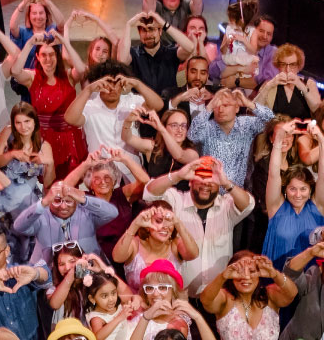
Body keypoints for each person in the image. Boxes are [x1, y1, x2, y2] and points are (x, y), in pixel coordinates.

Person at [143, 157, 255, 295]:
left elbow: (248, 205)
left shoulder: (226, 205)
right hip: (182, 295)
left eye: (212, 181)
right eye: (201, 178)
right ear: (190, 181)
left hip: (218, 295)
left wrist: (226, 183)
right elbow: (149, 193)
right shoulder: (177, 200)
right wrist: (178, 175)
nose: (206, 184)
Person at [199, 251, 298, 340]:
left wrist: (274, 273)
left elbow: (292, 293)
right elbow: (205, 300)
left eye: (252, 271)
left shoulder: (270, 296)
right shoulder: (225, 298)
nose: (245, 277)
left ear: (259, 274)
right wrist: (222, 276)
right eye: (239, 272)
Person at [11, 37, 87, 179]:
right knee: (47, 182)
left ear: (57, 56)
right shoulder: (32, 77)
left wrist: (65, 42)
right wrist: (30, 43)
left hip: (69, 138)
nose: (48, 59)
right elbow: (15, 71)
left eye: (52, 54)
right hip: (44, 139)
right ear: (37, 57)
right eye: (43, 55)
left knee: (71, 181)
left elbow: (82, 69)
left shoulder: (68, 76)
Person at [262, 124, 324, 270]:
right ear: (285, 190)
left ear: (310, 190)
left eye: (303, 189)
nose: (298, 195)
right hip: (279, 276)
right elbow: (273, 175)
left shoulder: (318, 207)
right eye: (293, 189)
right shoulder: (276, 207)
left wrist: (322, 141)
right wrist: (278, 140)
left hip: (310, 278)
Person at [0, 102, 56, 254]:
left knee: (27, 248)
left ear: (35, 122)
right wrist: (11, 154)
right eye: (18, 122)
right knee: (4, 246)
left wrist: (49, 163)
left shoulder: (44, 146)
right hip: (4, 201)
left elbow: (48, 183)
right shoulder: (8, 133)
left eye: (27, 121)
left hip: (28, 202)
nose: (23, 127)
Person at [14, 178, 120, 266]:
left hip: (89, 271)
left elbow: (112, 213)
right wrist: (43, 202)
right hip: (48, 276)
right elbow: (19, 226)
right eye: (57, 200)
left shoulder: (86, 213)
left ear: (76, 201)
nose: (63, 206)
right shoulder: (41, 216)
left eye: (68, 201)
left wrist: (84, 199)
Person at [187, 89, 274, 188]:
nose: (220, 110)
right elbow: (192, 135)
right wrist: (209, 107)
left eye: (226, 105)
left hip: (238, 191)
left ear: (236, 108)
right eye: (216, 106)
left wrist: (248, 104)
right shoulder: (207, 127)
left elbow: (271, 120)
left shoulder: (246, 124)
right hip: (210, 190)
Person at [113, 201, 196, 291]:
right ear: (147, 224)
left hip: (171, 300)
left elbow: (193, 254)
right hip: (136, 300)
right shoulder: (135, 243)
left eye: (169, 222)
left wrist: (178, 223)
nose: (165, 227)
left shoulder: (175, 244)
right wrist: (135, 224)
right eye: (158, 221)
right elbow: (117, 258)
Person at [117, 10, 194, 97]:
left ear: (160, 31)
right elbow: (122, 61)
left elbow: (190, 47)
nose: (148, 35)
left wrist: (164, 24)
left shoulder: (171, 52)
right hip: (140, 103)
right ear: (139, 33)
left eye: (152, 29)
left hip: (168, 103)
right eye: (144, 30)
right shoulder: (133, 53)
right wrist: (128, 25)